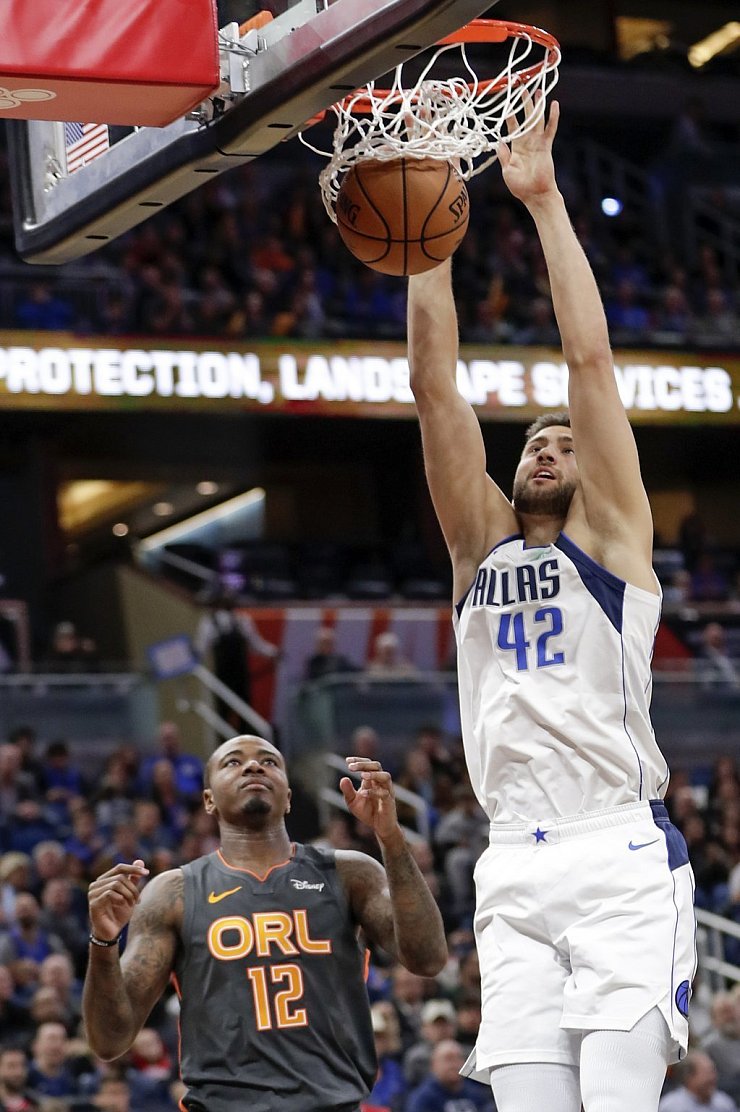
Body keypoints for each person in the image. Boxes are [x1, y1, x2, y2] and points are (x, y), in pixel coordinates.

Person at [407, 94, 695, 1112]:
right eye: (532, 439)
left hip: (616, 851)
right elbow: (436, 388)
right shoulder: (474, 548)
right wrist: (426, 228)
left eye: (562, 442)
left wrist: (538, 201)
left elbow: (587, 364)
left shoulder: (613, 541)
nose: (543, 444)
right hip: (510, 860)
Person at [82, 734, 447, 1111]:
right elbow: (109, 1040)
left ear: (288, 797)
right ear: (209, 800)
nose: (254, 766)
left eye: (269, 761)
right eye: (233, 762)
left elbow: (428, 958)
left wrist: (390, 837)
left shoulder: (348, 872)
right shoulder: (173, 893)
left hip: (332, 1102)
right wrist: (104, 942)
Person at [194, 597, 280, 729]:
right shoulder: (209, 623)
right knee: (223, 715)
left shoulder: (242, 620)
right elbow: (200, 651)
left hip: (241, 677)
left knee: (245, 713)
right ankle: (226, 746)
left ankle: (245, 742)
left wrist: (274, 653)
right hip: (222, 680)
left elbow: (256, 645)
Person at [658, 1052, 738, 1112]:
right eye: (707, 1073)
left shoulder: (724, 1102)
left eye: (713, 1072)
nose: (713, 1078)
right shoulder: (672, 1107)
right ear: (689, 1077)